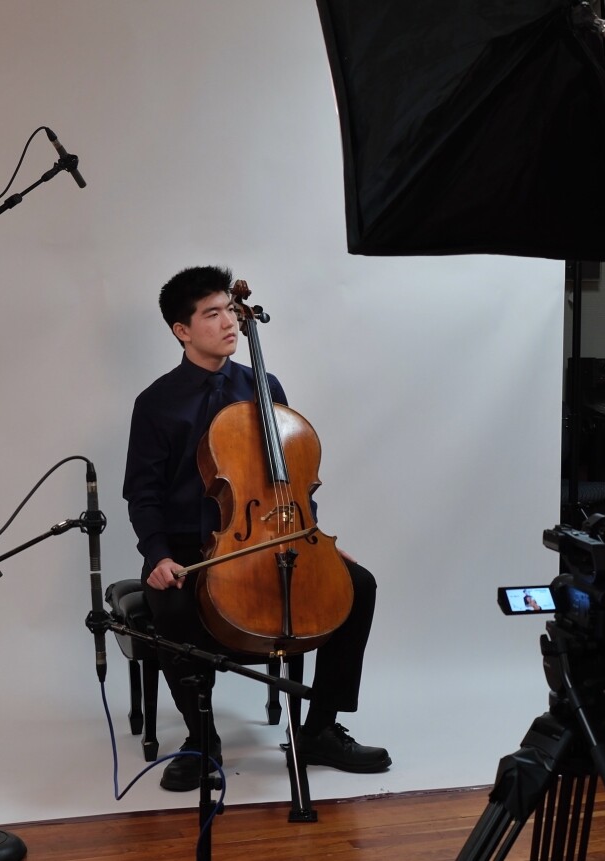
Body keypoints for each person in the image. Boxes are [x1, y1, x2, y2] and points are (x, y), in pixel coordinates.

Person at [123, 265, 390, 792]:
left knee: (358, 586)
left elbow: (289, 479)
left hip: (273, 537)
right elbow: (142, 493)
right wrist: (158, 556)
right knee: (171, 605)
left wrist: (311, 538)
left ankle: (319, 730)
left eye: (231, 310)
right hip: (190, 551)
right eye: (212, 314)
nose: (229, 322)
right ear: (182, 330)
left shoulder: (263, 386)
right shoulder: (156, 403)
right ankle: (202, 741)